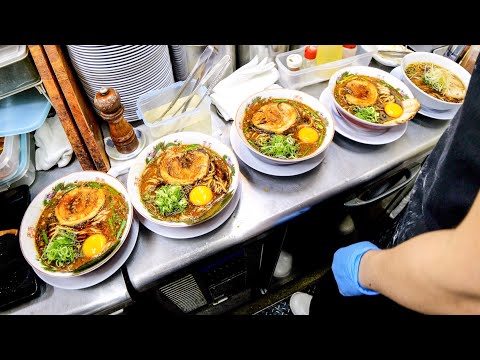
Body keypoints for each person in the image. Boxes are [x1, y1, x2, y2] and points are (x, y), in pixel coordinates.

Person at [290, 56, 480, 315]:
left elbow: (463, 274)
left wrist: (368, 268)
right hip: (441, 217)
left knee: (372, 298)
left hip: (437, 264)